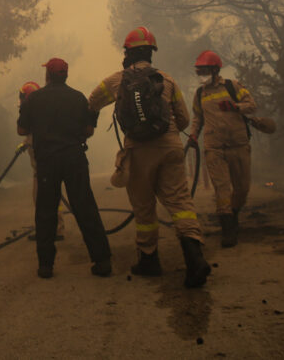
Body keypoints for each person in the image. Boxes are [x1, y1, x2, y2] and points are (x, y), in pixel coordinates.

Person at [88, 26, 211, 288]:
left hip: (138, 150)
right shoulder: (167, 80)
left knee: (144, 207)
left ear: (127, 52)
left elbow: (92, 101)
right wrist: (166, 136)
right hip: (169, 147)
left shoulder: (117, 80)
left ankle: (149, 259)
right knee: (180, 204)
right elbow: (185, 119)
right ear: (151, 52)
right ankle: (195, 258)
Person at [18, 58, 111, 279]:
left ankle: (46, 266)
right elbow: (88, 131)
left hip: (47, 161)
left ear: (48, 75)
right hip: (74, 159)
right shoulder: (78, 98)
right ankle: (103, 261)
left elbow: (22, 130)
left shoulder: (35, 99)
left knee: (45, 211)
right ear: (66, 75)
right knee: (85, 207)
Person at [189, 50, 258, 248]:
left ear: (215, 69)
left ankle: (233, 214)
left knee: (242, 188)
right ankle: (228, 229)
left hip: (238, 144)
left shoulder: (232, 86)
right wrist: (193, 134)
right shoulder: (200, 94)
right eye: (198, 71)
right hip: (214, 147)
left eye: (204, 70)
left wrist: (236, 107)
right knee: (222, 188)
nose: (201, 74)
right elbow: (197, 118)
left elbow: (252, 105)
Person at [18, 81, 65, 241]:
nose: (20, 101)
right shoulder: (43, 111)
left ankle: (49, 231)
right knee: (50, 198)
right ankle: (56, 229)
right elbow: (32, 135)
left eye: (22, 98)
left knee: (41, 199)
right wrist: (24, 144)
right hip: (48, 167)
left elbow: (30, 133)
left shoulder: (33, 112)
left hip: (42, 169)